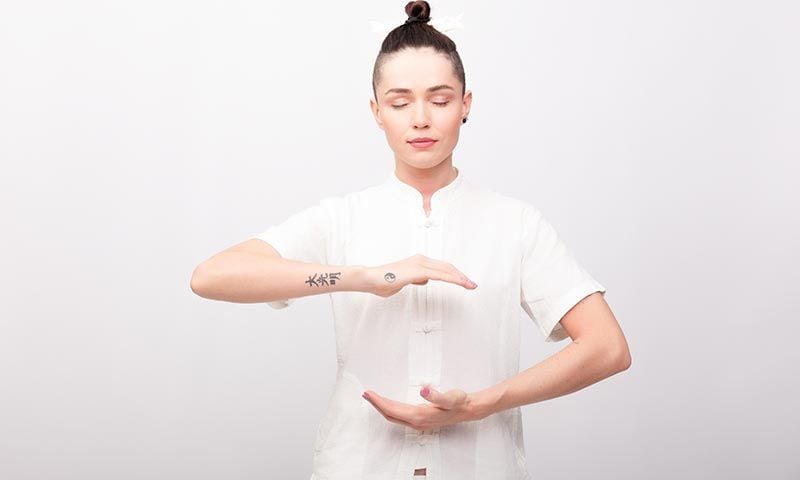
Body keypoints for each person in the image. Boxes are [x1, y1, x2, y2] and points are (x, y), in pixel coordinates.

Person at [190, 1, 632, 478]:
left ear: (466, 105)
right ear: (377, 111)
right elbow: (211, 276)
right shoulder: (343, 217)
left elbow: (607, 347)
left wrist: (481, 404)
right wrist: (363, 276)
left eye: (440, 100)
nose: (420, 119)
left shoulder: (516, 223)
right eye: (400, 103)